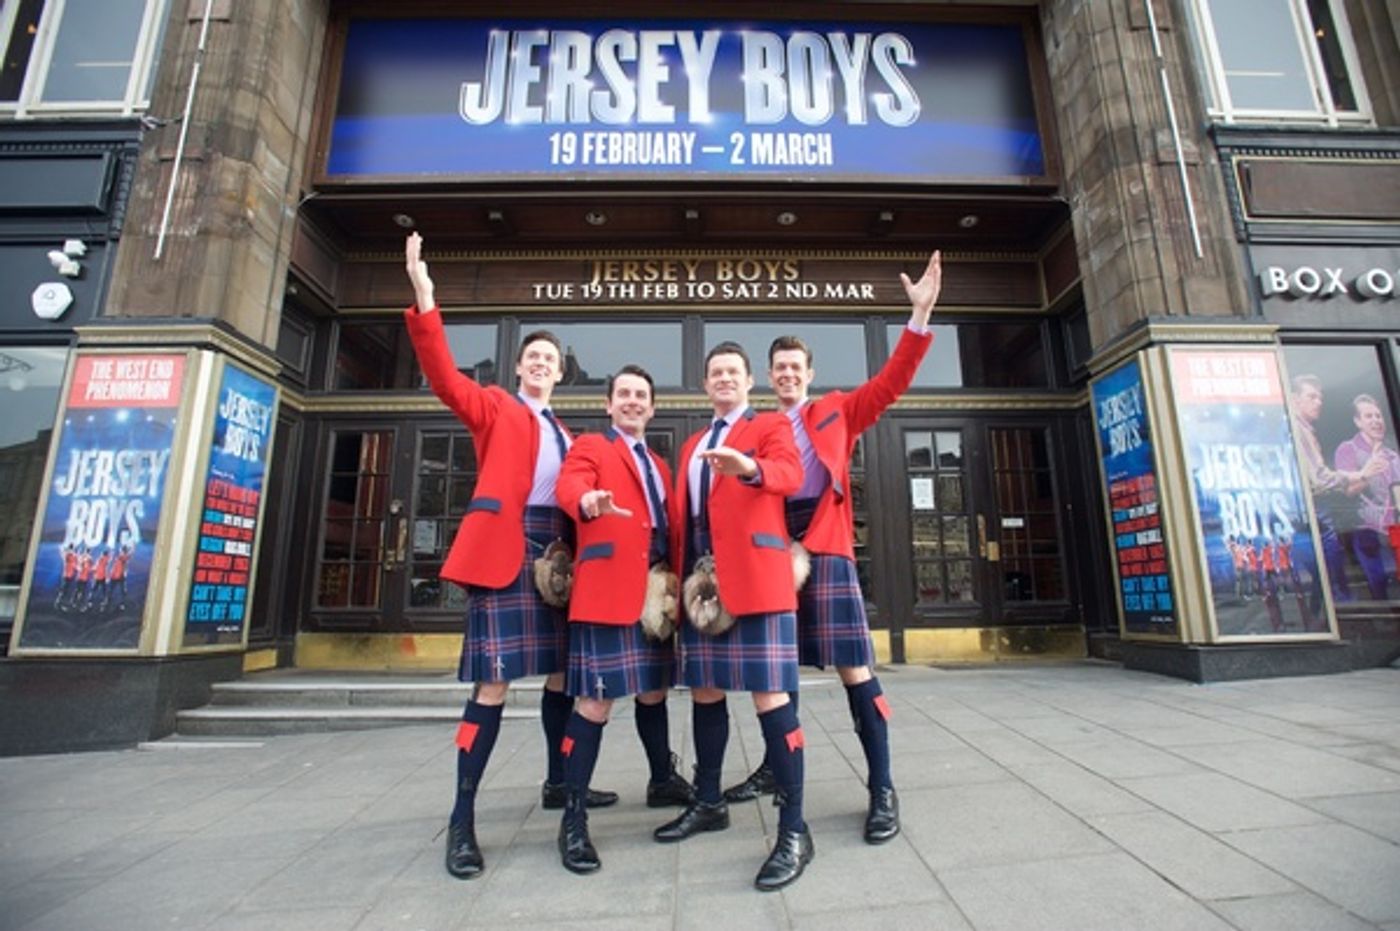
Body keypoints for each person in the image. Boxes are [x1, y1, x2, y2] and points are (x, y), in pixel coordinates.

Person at [403, 232, 617, 881]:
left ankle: (558, 782)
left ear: (560, 371)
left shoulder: (569, 431)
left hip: (558, 558)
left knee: (561, 676)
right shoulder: (494, 406)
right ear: (520, 366)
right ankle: (462, 818)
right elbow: (442, 375)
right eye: (533, 356)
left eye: (551, 358)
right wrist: (424, 295)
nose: (542, 364)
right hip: (507, 553)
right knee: (492, 684)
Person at [724, 251, 942, 845]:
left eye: (796, 366)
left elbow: (892, 382)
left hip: (824, 544)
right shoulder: (755, 428)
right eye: (780, 368)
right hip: (771, 547)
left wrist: (918, 318)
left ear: (809, 373)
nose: (788, 374)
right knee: (774, 669)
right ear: (769, 377)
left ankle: (882, 787)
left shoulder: (838, 410)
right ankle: (776, 767)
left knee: (854, 669)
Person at [654, 340, 808, 892]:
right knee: (705, 692)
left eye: (733, 372)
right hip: (705, 582)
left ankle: (794, 828)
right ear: (706, 383)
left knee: (771, 697)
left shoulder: (769, 427)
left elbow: (788, 475)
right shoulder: (693, 442)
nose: (724, 379)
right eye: (715, 372)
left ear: (749, 382)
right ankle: (709, 801)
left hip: (757, 579)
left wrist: (748, 468)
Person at [551, 364, 694, 874]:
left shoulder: (659, 463)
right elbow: (571, 485)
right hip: (609, 591)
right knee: (594, 702)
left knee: (653, 692)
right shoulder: (592, 446)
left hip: (655, 594)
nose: (633, 401)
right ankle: (572, 820)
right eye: (624, 394)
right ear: (609, 405)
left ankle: (661, 780)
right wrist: (587, 502)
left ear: (652, 408)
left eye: (642, 395)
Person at [1291, 375, 1366, 608]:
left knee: (1322, 583)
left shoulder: (1302, 429)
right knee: (1331, 578)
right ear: (1295, 400)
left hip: (1308, 514)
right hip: (1314, 513)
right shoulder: (1298, 430)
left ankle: (1324, 614)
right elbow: (1319, 479)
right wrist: (1359, 474)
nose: (1318, 402)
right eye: (1311, 397)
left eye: (1320, 397)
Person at [1333, 393, 1400, 600]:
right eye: (1368, 416)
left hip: (1394, 530)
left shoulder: (1392, 454)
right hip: (1367, 531)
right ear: (1358, 421)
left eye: (1378, 416)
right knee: (1379, 586)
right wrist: (1367, 473)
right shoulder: (1348, 449)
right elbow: (1347, 491)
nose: (1376, 421)